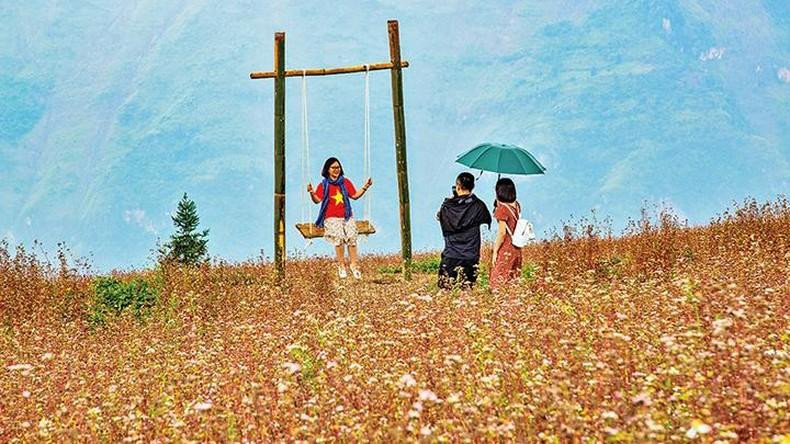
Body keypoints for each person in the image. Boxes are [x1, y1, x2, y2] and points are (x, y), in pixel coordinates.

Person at [307, 157, 372, 279]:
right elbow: (317, 200)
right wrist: (311, 192)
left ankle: (354, 265)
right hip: (331, 217)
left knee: (352, 236)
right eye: (333, 168)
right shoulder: (323, 185)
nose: (336, 170)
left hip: (346, 216)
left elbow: (354, 195)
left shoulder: (345, 182)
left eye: (338, 167)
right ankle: (341, 266)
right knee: (339, 237)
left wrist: (366, 187)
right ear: (327, 169)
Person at [437, 172, 491, 289]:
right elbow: (487, 219)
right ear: (473, 186)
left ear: (457, 186)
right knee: (467, 293)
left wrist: (452, 200)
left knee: (445, 293)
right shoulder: (479, 206)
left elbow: (440, 218)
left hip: (450, 255)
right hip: (470, 256)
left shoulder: (447, 206)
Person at [490, 177, 523, 290]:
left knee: (497, 280)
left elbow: (502, 233)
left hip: (506, 248)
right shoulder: (517, 205)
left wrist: (495, 251)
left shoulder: (502, 209)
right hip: (517, 248)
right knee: (513, 280)